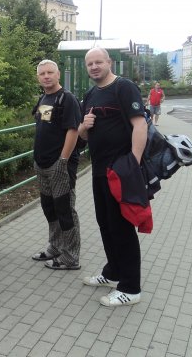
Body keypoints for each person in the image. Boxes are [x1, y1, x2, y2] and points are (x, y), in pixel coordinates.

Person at [78, 47, 147, 306]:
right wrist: (84, 127)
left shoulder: (123, 87)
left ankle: (130, 288)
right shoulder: (91, 94)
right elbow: (84, 135)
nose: (94, 67)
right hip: (99, 169)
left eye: (99, 62)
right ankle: (113, 272)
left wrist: (133, 163)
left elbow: (140, 124)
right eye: (90, 64)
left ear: (109, 62)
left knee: (121, 226)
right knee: (105, 223)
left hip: (120, 170)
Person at [31, 59, 82, 270]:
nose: (46, 76)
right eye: (42, 73)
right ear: (38, 77)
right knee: (49, 208)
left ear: (58, 74)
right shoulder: (45, 98)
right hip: (42, 163)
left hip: (59, 165)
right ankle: (55, 246)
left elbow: (73, 130)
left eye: (50, 72)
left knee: (65, 210)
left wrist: (63, 160)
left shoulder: (67, 98)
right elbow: (45, 126)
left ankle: (70, 256)